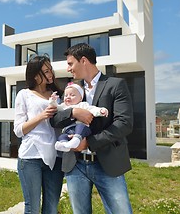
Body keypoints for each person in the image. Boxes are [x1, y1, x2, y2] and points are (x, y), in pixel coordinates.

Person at [50, 43, 134, 214]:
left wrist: (89, 142)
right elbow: (54, 119)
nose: (68, 69)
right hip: (75, 165)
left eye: (70, 63)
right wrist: (74, 111)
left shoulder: (115, 85)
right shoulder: (72, 89)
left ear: (83, 60)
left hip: (108, 163)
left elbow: (124, 123)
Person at [14, 54, 64, 214]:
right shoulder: (24, 94)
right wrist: (42, 116)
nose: (51, 74)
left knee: (51, 208)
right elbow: (18, 130)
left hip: (55, 158)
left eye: (51, 70)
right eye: (46, 71)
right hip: (30, 158)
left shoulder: (58, 95)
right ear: (35, 75)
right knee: (33, 208)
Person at [49, 82, 108, 152]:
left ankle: (77, 138)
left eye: (72, 95)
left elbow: (92, 109)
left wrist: (100, 111)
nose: (68, 97)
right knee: (62, 136)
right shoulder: (64, 106)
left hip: (82, 128)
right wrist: (52, 101)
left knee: (80, 127)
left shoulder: (82, 105)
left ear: (80, 98)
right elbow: (57, 108)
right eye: (66, 95)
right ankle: (63, 144)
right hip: (68, 130)